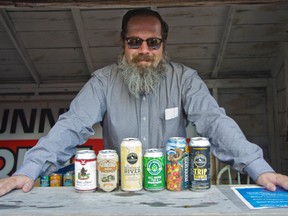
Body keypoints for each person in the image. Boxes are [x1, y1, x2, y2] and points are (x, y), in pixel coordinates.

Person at [0, 8, 287, 197]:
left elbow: (214, 121)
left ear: (164, 44)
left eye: (153, 42)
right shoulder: (103, 81)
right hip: (119, 192)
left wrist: (258, 167)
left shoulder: (185, 79)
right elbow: (72, 125)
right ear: (122, 43)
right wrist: (27, 172)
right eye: (134, 42)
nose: (144, 51)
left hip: (174, 193)